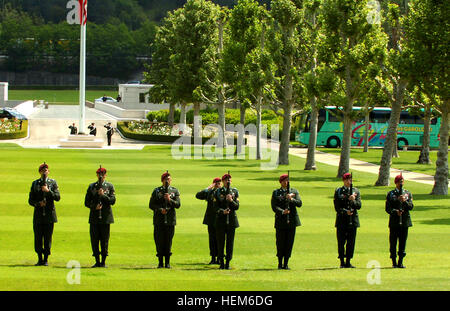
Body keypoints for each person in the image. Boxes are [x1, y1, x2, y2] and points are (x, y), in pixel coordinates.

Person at [28, 163, 60, 266]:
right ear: (40, 172)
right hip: (38, 215)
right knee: (38, 238)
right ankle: (39, 258)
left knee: (47, 238)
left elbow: (57, 197)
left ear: (48, 171)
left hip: (49, 215)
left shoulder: (53, 183)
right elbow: (30, 200)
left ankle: (45, 259)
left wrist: (48, 191)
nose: (44, 172)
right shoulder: (35, 183)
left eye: (46, 170)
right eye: (43, 170)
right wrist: (38, 204)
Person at [84, 166, 116, 268]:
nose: (101, 176)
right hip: (94, 217)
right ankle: (97, 261)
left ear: (105, 175)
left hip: (106, 218)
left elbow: (112, 201)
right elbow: (87, 202)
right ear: (97, 175)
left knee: (104, 240)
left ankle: (103, 261)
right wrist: (94, 207)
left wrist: (103, 196)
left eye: (103, 174)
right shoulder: (92, 186)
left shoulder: (110, 186)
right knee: (94, 239)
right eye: (99, 174)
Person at [149, 171, 181, 268]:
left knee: (168, 241)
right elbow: (151, 205)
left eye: (169, 179)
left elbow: (178, 204)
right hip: (159, 220)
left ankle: (167, 262)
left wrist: (169, 199)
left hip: (170, 220)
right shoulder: (156, 191)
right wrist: (159, 210)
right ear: (162, 180)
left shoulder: (175, 191)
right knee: (159, 241)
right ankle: (160, 262)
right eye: (166, 179)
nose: (167, 181)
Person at [271, 174, 302, 269]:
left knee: (289, 243)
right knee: (280, 242)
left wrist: (291, 199)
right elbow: (274, 206)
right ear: (280, 182)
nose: (286, 182)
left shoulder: (294, 191)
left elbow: (299, 203)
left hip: (292, 220)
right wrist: (282, 211)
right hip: (281, 221)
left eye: (287, 180)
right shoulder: (276, 192)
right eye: (284, 180)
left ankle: (286, 263)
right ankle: (280, 263)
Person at [333, 173, 361, 268]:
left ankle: (348, 260)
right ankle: (342, 261)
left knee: (351, 242)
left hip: (352, 220)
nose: (349, 181)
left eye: (350, 179)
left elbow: (359, 205)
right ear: (344, 181)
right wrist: (345, 212)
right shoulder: (339, 191)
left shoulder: (356, 191)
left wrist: (353, 200)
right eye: (347, 180)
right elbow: (337, 207)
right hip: (342, 220)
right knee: (341, 241)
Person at [385, 174, 413, 268]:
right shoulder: (391, 194)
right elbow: (388, 208)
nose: (400, 183)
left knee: (402, 242)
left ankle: (400, 261)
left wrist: (404, 201)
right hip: (394, 221)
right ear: (396, 183)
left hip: (404, 221)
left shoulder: (407, 193)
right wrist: (395, 211)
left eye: (402, 181)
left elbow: (411, 206)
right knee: (393, 243)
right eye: (399, 182)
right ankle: (393, 261)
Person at [214, 173, 239, 270]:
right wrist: (222, 211)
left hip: (232, 220)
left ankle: (228, 261)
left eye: (229, 180)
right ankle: (221, 262)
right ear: (223, 181)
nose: (228, 181)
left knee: (230, 242)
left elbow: (237, 206)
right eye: (226, 180)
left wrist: (231, 200)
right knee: (220, 242)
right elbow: (215, 207)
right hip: (221, 220)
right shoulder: (218, 191)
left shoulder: (234, 191)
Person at [195, 177, 221, 264]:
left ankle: (219, 258)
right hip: (211, 219)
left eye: (219, 183)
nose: (218, 184)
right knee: (212, 239)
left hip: (220, 218)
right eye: (216, 183)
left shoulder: (223, 192)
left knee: (219, 239)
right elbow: (198, 195)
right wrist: (208, 188)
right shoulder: (210, 192)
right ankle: (213, 257)